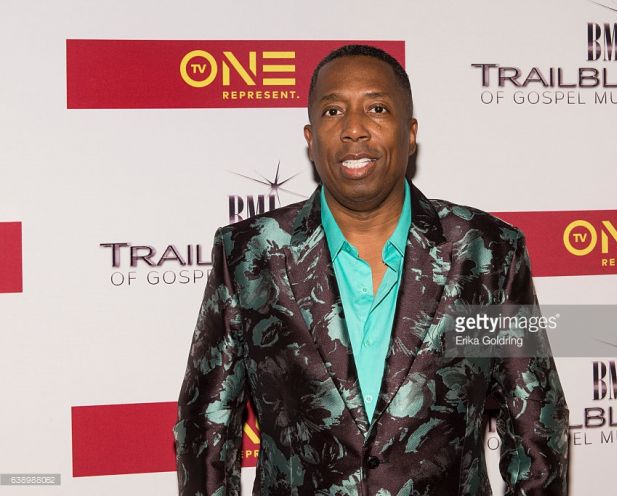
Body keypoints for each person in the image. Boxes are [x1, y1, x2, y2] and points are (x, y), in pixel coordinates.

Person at [173, 44, 569, 496]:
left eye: (377, 108)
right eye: (333, 111)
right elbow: (206, 425)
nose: (354, 129)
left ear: (411, 133)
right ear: (310, 138)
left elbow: (537, 422)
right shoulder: (250, 253)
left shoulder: (485, 252)